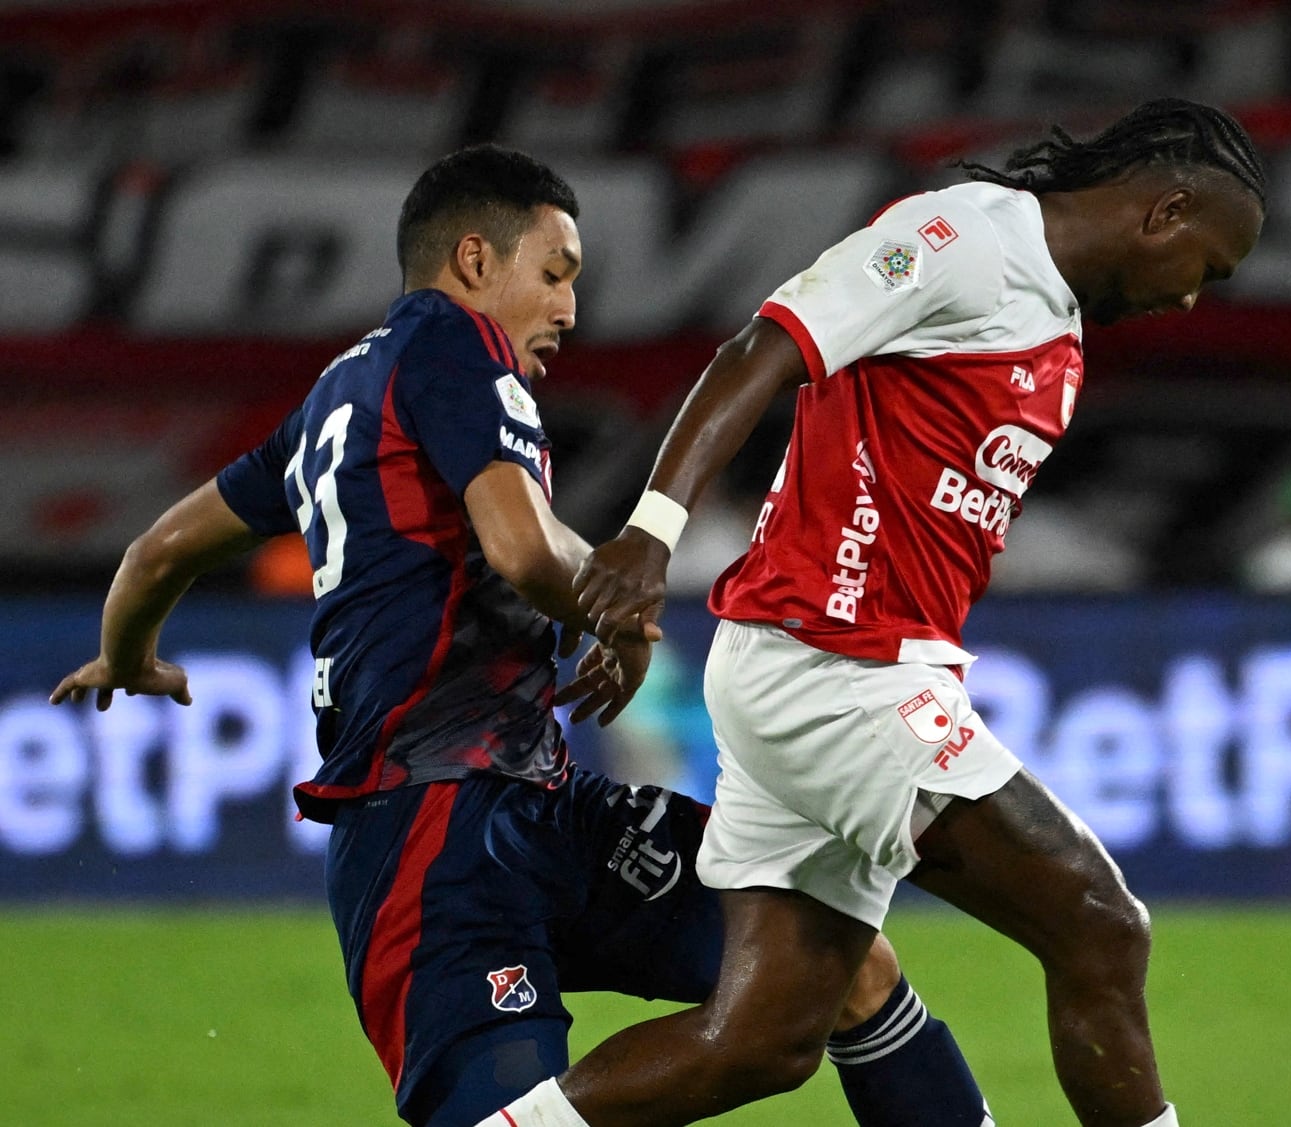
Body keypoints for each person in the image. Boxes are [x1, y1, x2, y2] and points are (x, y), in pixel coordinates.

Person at [49, 145, 993, 1127]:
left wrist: (128, 656)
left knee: (832, 956)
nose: (569, 309)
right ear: (471, 262)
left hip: (537, 802)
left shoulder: (339, 395)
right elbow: (518, 545)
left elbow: (158, 551)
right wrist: (615, 616)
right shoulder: (453, 349)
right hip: (431, 831)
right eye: (554, 272)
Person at [501, 98, 1268, 1127]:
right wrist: (651, 529)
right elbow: (760, 347)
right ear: (1163, 210)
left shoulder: (1056, 327)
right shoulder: (960, 239)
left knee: (760, 1042)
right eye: (1205, 269)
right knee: (1097, 923)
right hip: (837, 670)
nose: (1189, 299)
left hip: (834, 669)